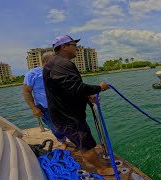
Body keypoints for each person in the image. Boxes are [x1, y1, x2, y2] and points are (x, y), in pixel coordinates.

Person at [42, 35, 114, 175]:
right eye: (74, 44)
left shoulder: (56, 63)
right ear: (64, 47)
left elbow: (66, 89)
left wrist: (87, 97)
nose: (77, 48)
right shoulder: (61, 64)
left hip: (65, 114)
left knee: (83, 141)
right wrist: (99, 88)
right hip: (68, 118)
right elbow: (76, 87)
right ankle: (101, 169)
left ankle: (94, 163)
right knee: (86, 144)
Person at [23, 51, 67, 148]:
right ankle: (63, 142)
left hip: (62, 106)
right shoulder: (32, 74)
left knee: (70, 125)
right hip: (45, 108)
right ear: (47, 61)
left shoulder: (58, 72)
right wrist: (33, 108)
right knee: (55, 129)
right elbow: (26, 92)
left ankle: (73, 140)